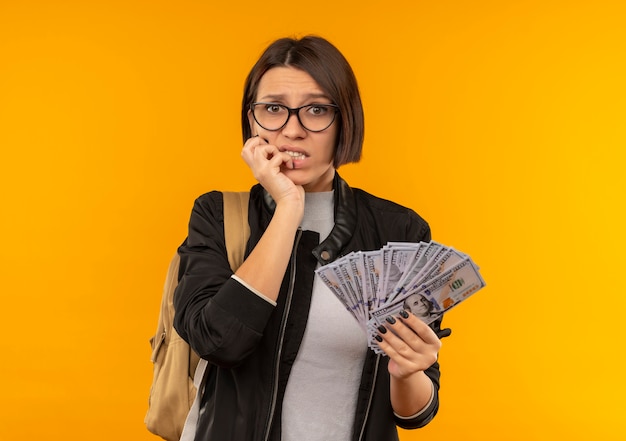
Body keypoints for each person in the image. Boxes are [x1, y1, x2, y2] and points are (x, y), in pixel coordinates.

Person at [173, 35, 450, 441]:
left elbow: (413, 415)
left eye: (317, 110)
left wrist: (408, 371)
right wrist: (288, 206)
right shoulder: (217, 215)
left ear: (344, 121)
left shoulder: (401, 231)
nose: (293, 130)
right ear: (251, 119)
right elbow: (221, 343)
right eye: (273, 109)